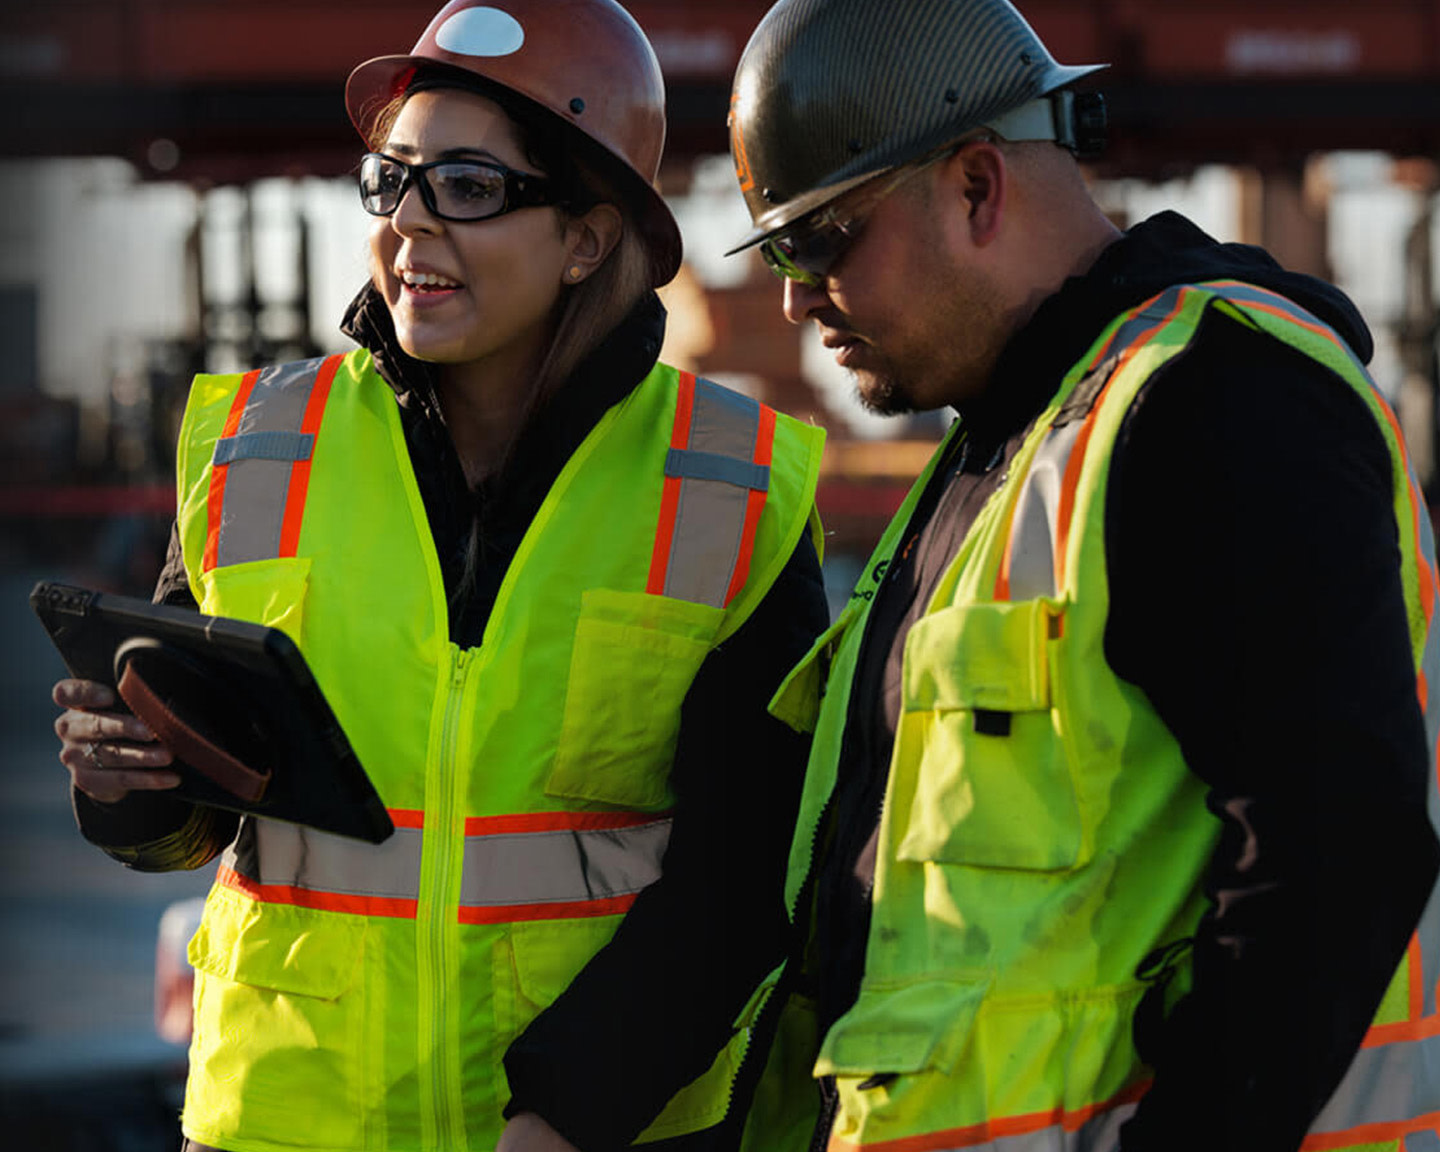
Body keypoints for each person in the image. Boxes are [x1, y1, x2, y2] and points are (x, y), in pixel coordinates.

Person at [49, 1, 829, 1149]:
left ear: (586, 238)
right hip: (287, 1121)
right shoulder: (258, 448)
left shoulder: (733, 486)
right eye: (392, 179)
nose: (410, 223)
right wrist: (127, 786)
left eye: (466, 186)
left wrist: (568, 1113)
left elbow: (748, 870)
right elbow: (192, 822)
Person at [722, 1, 1440, 1150]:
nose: (798, 300)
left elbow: (1335, 860)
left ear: (974, 186)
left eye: (819, 242)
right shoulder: (1004, 447)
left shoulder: (1218, 400)